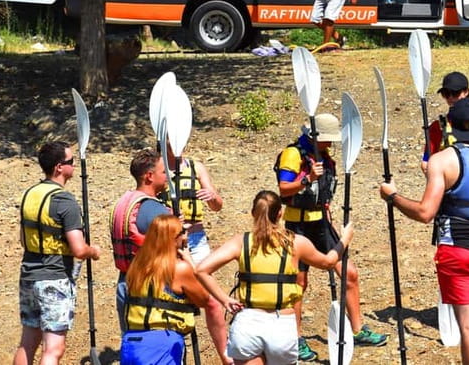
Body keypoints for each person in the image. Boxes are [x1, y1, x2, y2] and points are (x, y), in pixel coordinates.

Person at [380, 96, 469, 365]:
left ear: (451, 126)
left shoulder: (442, 161)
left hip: (457, 253)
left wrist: (393, 197)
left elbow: (425, 213)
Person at [275, 113, 388, 361]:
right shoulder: (292, 154)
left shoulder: (325, 157)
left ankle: (357, 330)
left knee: (349, 273)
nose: (332, 144)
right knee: (298, 284)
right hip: (297, 226)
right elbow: (283, 189)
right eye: (328, 139)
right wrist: (307, 179)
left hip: (322, 225)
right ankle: (295, 339)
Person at [196, 190, 354, 365]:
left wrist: (225, 300)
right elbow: (329, 262)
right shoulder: (295, 242)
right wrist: (345, 239)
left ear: (252, 213)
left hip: (248, 325)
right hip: (281, 326)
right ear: (281, 213)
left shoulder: (241, 242)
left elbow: (202, 270)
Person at [14, 141, 101, 365]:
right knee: (53, 348)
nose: (74, 165)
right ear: (59, 167)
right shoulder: (64, 201)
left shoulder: (30, 194)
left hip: (28, 275)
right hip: (54, 278)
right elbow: (79, 250)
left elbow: (24, 239)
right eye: (71, 162)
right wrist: (95, 251)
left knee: (28, 342)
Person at [158, 144, 231, 364]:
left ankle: (225, 355)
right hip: (168, 241)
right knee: (169, 298)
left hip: (196, 240)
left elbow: (217, 206)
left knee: (212, 300)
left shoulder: (195, 166)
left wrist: (212, 196)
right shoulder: (157, 168)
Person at [120, 214, 210, 364]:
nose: (186, 235)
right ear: (172, 239)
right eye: (182, 232)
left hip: (131, 342)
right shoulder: (179, 269)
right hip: (162, 344)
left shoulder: (137, 266)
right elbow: (204, 299)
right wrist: (191, 263)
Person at [110, 148, 171, 333]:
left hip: (125, 284)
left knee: (133, 345)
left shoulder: (124, 202)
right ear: (150, 176)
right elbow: (173, 247)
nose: (168, 176)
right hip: (149, 289)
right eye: (163, 172)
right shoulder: (152, 208)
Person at [421, 71, 469, 175]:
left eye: (455, 93)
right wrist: (426, 164)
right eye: (446, 94)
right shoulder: (437, 126)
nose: (451, 98)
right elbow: (427, 158)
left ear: (466, 92)